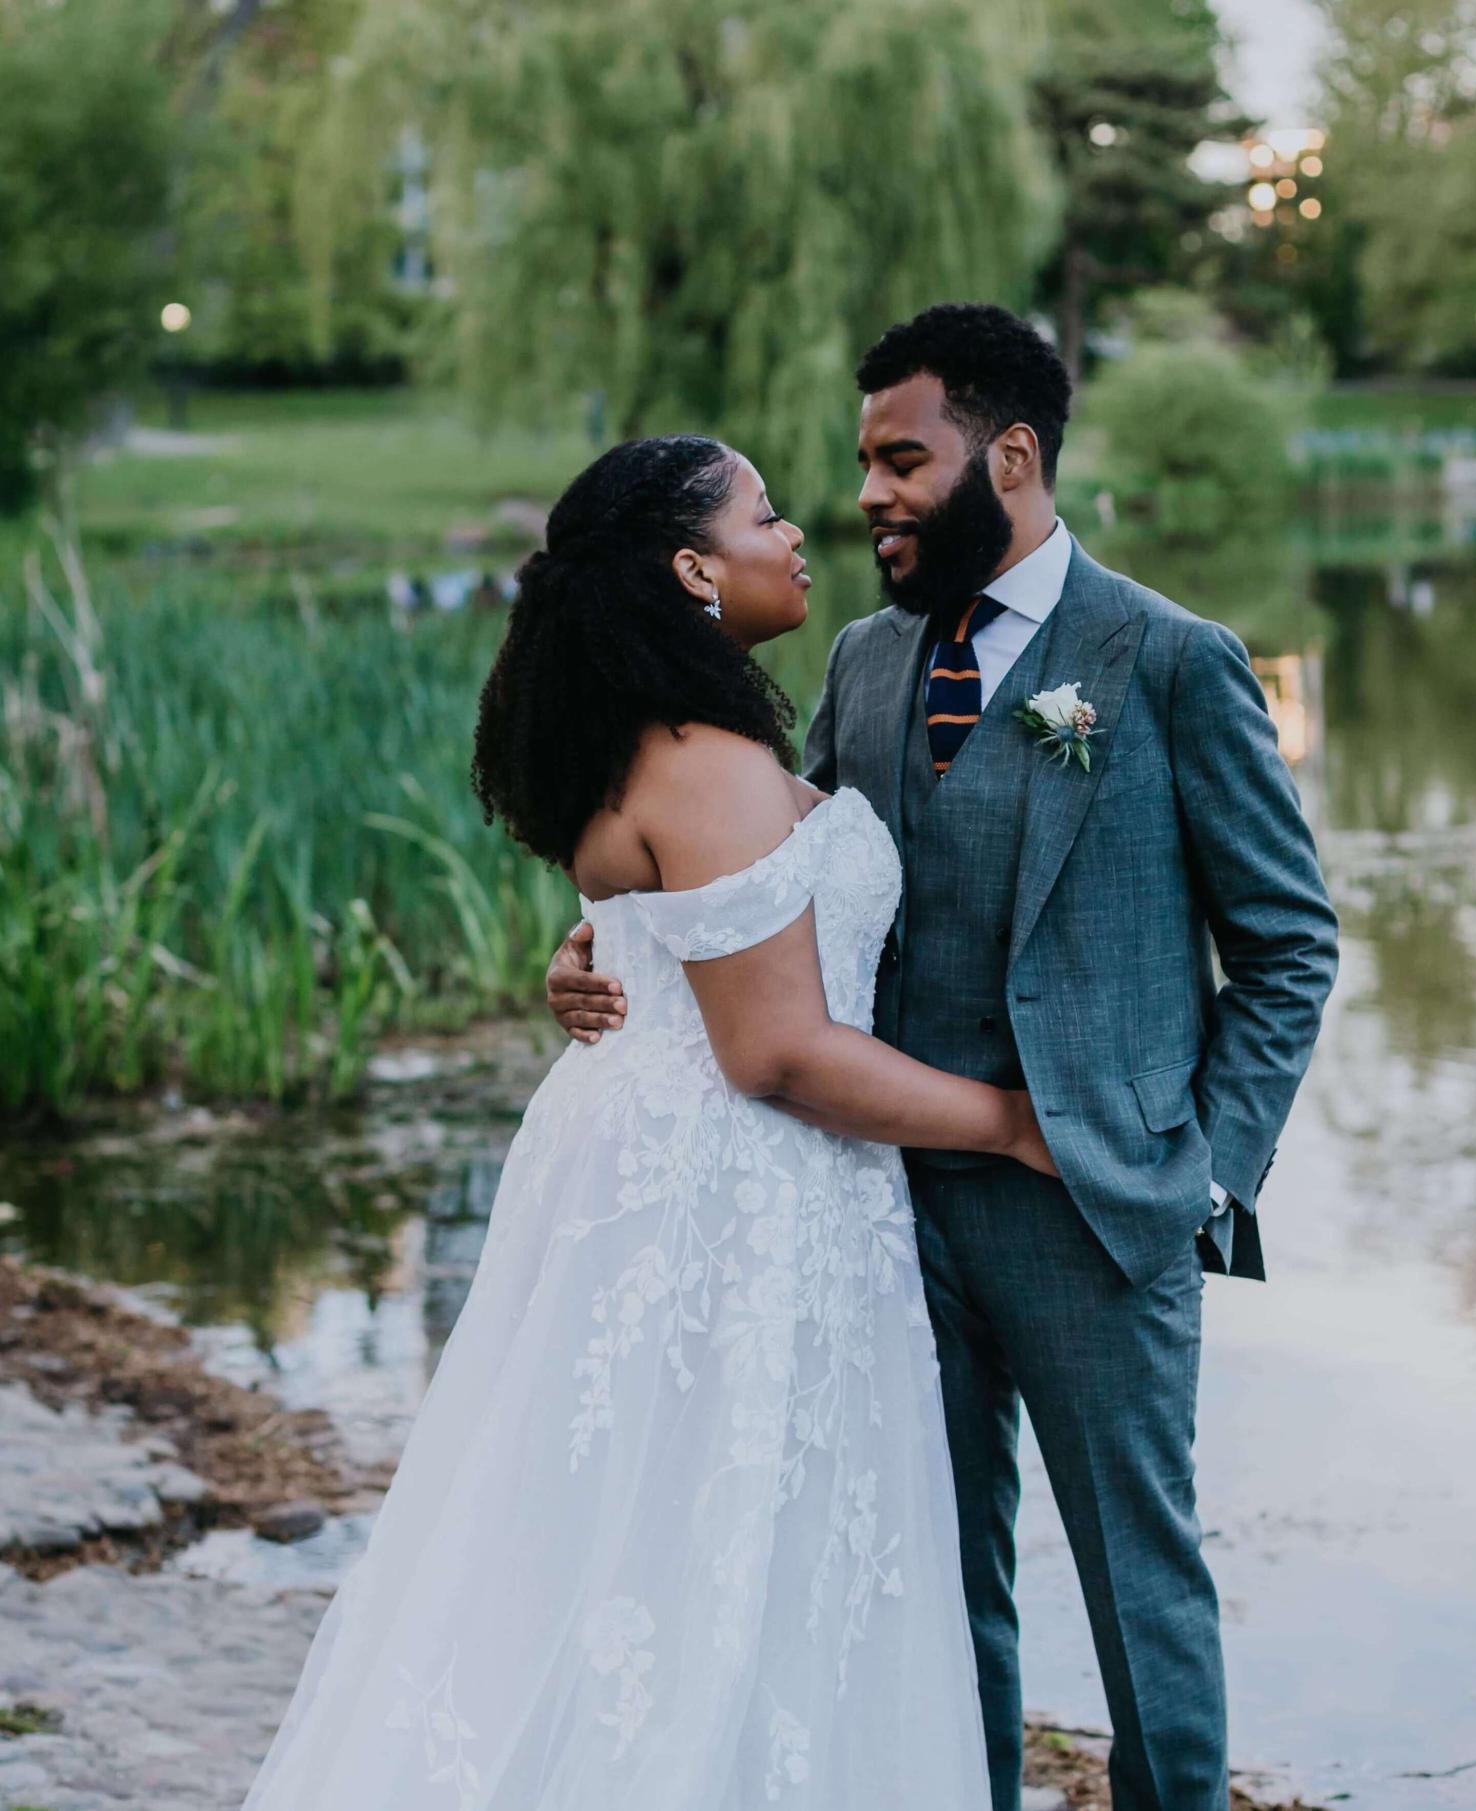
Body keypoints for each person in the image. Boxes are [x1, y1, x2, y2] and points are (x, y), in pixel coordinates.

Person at [550, 304, 1341, 1811]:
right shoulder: (862, 658)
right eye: (860, 464)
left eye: (902, 460)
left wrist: (1202, 1173)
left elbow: (1290, 945)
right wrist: (611, 943)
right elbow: (776, 890)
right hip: (881, 1207)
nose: (868, 496)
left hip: (1102, 1213)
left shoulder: (1169, 659)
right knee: (929, 1579)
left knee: (1143, 1589)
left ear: (1015, 455)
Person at [239, 430, 1059, 1811]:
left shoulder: (651, 747)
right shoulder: (708, 762)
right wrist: (1018, 1124)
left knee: (631, 1540)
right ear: (693, 567)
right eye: (764, 514)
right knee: (717, 1552)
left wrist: (592, 946)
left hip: (647, 1163)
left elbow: (663, 921)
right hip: (735, 1196)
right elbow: (779, 1052)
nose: (799, 531)